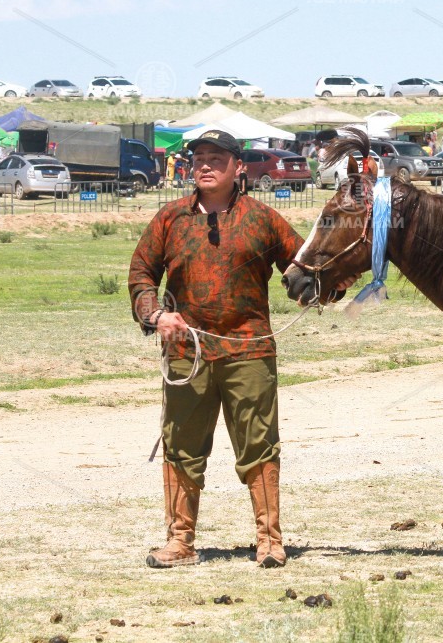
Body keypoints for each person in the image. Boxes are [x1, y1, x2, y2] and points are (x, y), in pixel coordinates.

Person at [128, 130, 347, 570]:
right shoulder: (170, 218)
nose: (205, 165)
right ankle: (180, 542)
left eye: (216, 158)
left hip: (249, 350)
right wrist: (156, 316)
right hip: (187, 352)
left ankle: (269, 541)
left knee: (259, 447)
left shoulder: (263, 219)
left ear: (238, 167)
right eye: (199, 159)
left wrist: (334, 281)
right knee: (181, 447)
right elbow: (140, 274)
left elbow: (303, 269)